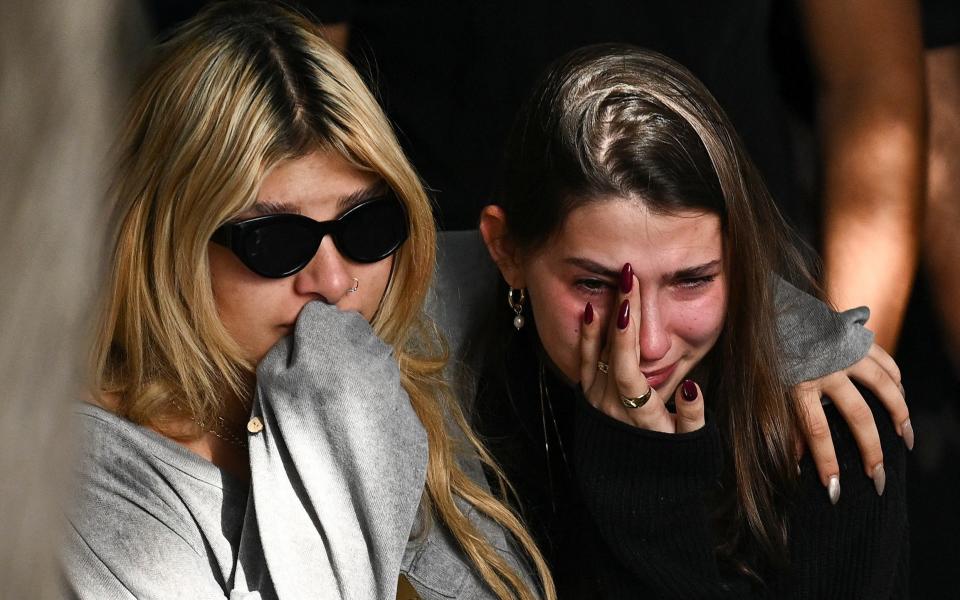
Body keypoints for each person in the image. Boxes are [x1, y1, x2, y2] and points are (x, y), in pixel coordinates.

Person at [62, 3, 553, 599]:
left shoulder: (409, 355)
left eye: (367, 226)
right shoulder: (85, 483)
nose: (333, 280)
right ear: (165, 241)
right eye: (276, 242)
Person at [475, 45, 909, 597]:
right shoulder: (453, 408)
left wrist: (643, 489)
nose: (649, 344)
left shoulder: (827, 424)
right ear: (507, 251)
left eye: (692, 280)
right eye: (594, 284)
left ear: (740, 260)